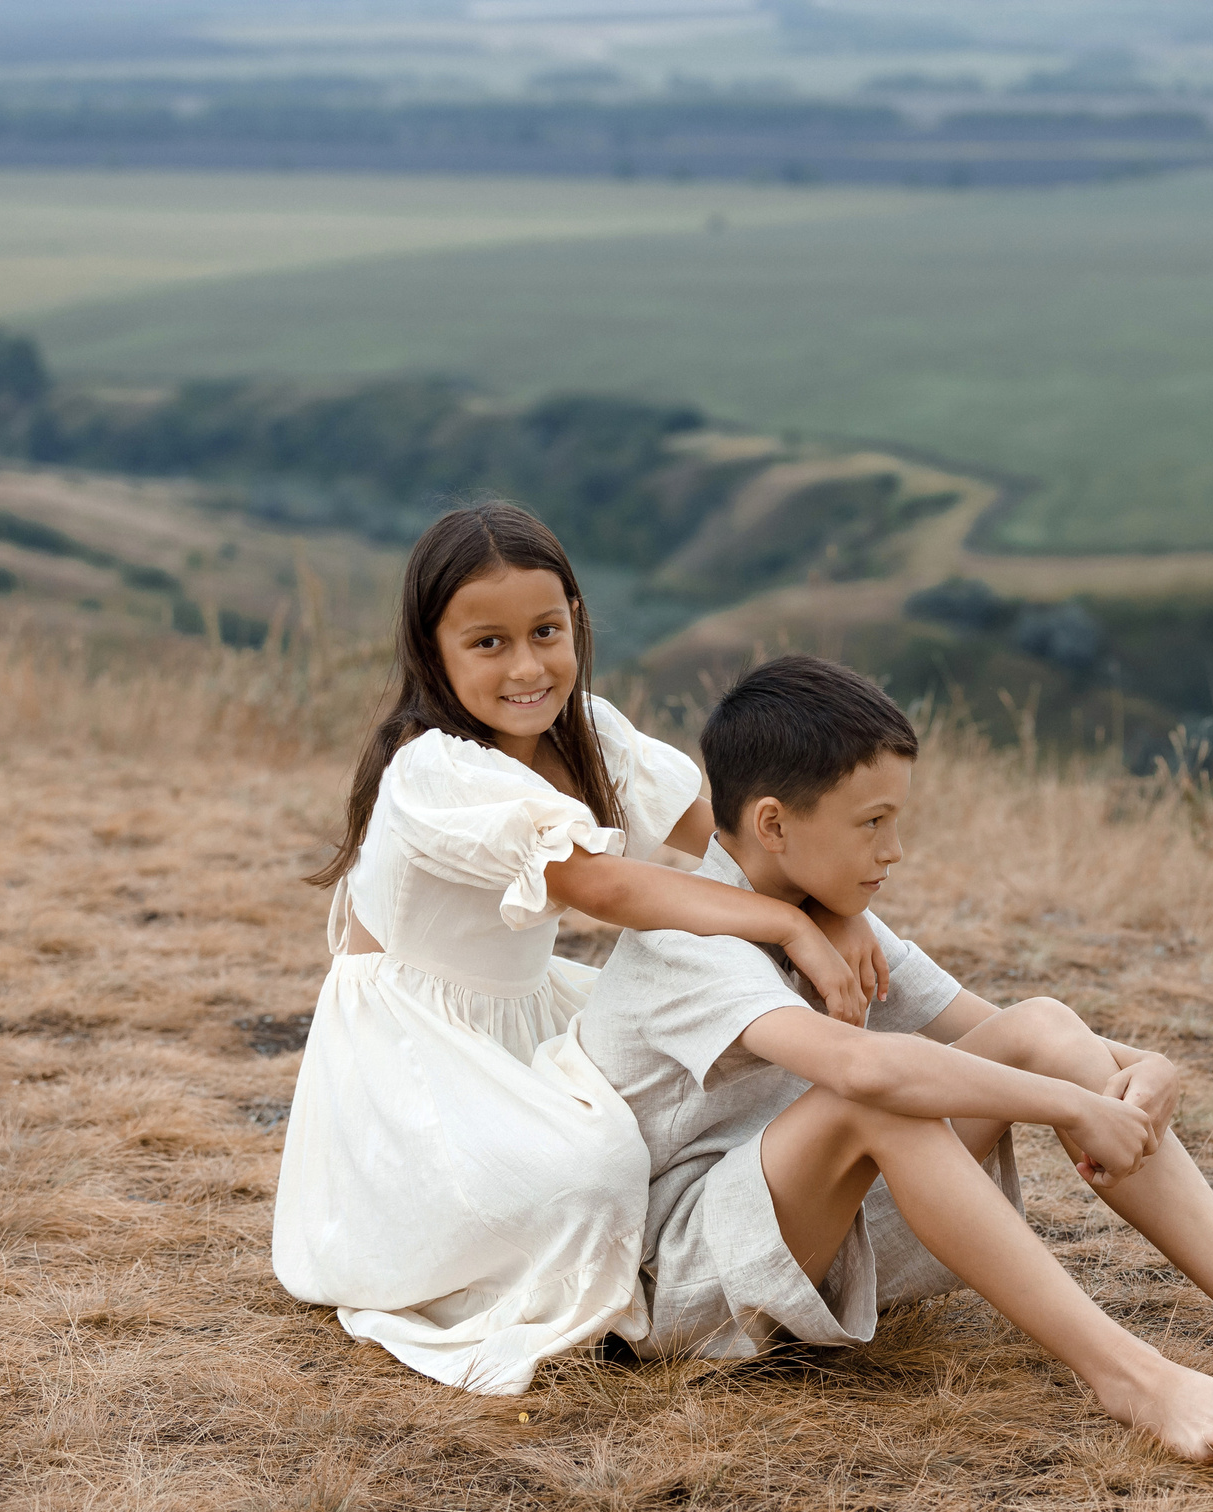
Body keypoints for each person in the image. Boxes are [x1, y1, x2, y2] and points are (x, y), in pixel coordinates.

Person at [580, 655, 1213, 1461]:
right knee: (882, 1093)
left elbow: (1014, 1034)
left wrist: (1136, 1065)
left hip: (800, 1230)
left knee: (1042, 1024)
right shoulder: (691, 936)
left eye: (897, 820)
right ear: (773, 824)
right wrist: (1070, 1107)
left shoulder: (824, 912)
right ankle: (1131, 1379)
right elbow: (871, 1073)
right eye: (871, 823)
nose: (894, 850)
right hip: (688, 1277)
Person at [271, 504, 885, 1395]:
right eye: (487, 643)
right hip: (415, 1051)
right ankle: (600, 1302)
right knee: (590, 1174)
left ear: (576, 623)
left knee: (692, 1097)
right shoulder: (432, 768)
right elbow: (601, 886)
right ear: (431, 650)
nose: (527, 666)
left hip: (528, 1014)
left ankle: (701, 1255)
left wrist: (837, 905)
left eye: (546, 631)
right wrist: (788, 922)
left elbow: (726, 833)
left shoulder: (587, 731)